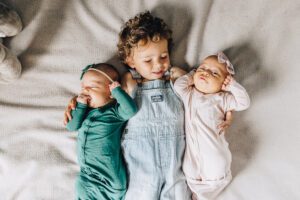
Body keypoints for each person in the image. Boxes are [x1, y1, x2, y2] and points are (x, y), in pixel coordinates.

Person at [64, 11, 233, 200]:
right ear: (130, 61)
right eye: (148, 60)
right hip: (139, 168)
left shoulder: (177, 77)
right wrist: (79, 102)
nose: (158, 65)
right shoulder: (127, 81)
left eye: (163, 56)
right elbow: (103, 99)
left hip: (174, 166)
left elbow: (204, 97)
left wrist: (225, 109)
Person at [174, 52, 250, 200]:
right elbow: (178, 85)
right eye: (202, 68)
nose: (205, 73)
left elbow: (244, 103)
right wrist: (192, 75)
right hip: (192, 157)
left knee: (215, 173)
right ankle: (197, 194)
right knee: (189, 172)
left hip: (215, 152)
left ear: (223, 84)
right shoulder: (189, 94)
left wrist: (233, 86)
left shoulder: (222, 99)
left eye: (214, 73)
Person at [66, 63, 138, 200]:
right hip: (88, 175)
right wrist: (80, 107)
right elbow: (71, 126)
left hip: (109, 179)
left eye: (92, 87)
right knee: (80, 186)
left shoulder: (115, 113)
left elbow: (131, 110)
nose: (85, 90)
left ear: (110, 91)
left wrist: (118, 92)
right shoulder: (84, 112)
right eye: (83, 87)